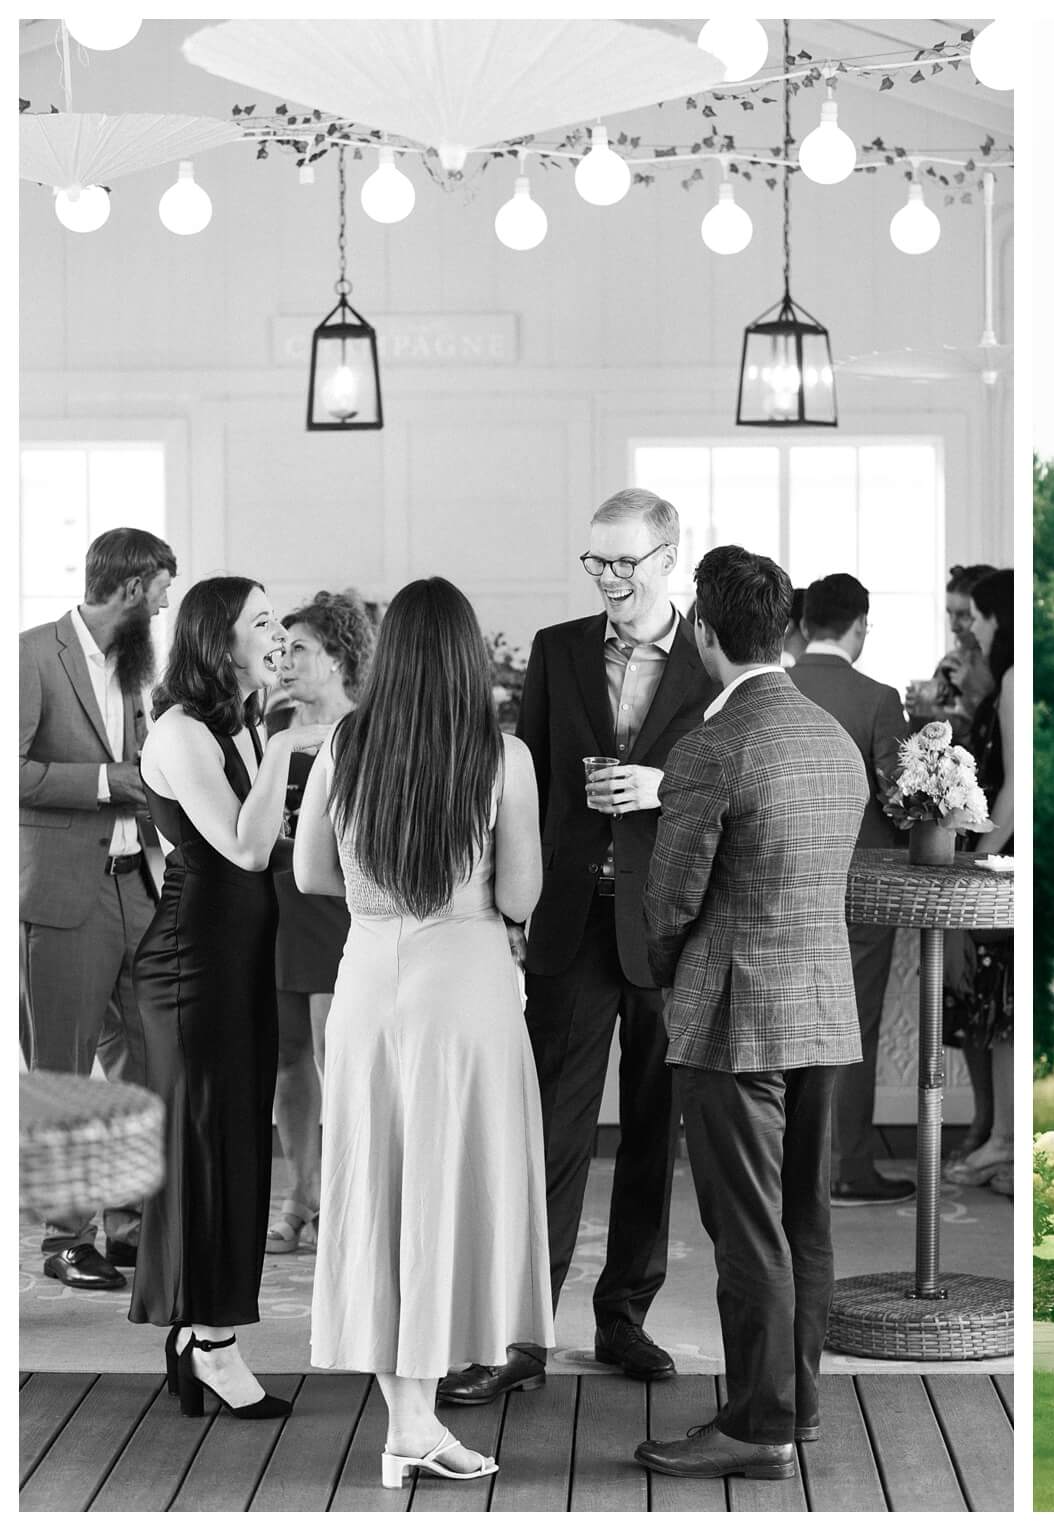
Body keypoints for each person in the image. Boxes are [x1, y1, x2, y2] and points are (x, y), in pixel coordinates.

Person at [440, 488, 716, 1408]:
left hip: (672, 925)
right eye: (595, 562)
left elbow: (731, 781)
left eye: (625, 563)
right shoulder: (559, 649)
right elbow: (528, 785)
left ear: (669, 556)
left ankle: (622, 1317)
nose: (607, 580)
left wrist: (661, 785)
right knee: (549, 1132)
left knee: (651, 1130)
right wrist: (510, 907)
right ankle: (525, 1330)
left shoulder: (712, 659)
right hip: (568, 920)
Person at [298, 576, 552, 1487]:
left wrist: (382, 909)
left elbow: (310, 873)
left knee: (377, 1192)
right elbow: (522, 896)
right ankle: (414, 1421)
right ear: (467, 660)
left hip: (370, 984)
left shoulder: (343, 744)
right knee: (448, 1193)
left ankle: (411, 1420)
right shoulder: (503, 758)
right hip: (469, 991)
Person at [633, 546, 868, 1483]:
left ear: (702, 631)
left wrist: (663, 975)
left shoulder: (710, 746)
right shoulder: (831, 737)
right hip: (822, 1007)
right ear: (784, 630)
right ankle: (796, 1405)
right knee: (803, 1219)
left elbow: (670, 903)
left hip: (733, 1017)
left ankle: (756, 1423)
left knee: (747, 1232)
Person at [131, 576, 332, 1419]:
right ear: (220, 640)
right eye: (261, 622)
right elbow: (244, 851)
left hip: (240, 955)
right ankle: (211, 1341)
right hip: (194, 965)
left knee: (236, 1143)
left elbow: (272, 842)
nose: (278, 633)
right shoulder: (180, 731)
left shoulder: (238, 724)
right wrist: (291, 743)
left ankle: (195, 1331)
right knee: (212, 1146)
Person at [19, 527, 177, 1291]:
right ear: (132, 585)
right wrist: (104, 781)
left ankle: (128, 1225)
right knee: (61, 1068)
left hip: (137, 887)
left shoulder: (140, 667)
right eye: (163, 589)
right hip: (64, 895)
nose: (168, 603)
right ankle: (62, 1239)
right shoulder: (28, 654)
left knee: (143, 1061)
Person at [785, 573, 915, 1206]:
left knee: (782, 1023)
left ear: (806, 624)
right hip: (858, 888)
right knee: (851, 1026)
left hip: (775, 888)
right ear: (860, 626)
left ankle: (788, 1168)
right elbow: (902, 801)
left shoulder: (769, 689)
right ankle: (847, 1167)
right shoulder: (878, 698)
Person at [265, 591, 375, 1257]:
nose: (282, 660)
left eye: (298, 648)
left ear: (335, 657)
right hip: (276, 905)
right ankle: (297, 1194)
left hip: (340, 907)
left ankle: (347, 1197)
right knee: (285, 1061)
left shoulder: (368, 733)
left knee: (340, 1059)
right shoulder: (269, 724)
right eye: (279, 648)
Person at [944, 568, 1017, 1197]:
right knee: (990, 1004)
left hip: (1002, 862)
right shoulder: (1002, 684)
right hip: (996, 854)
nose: (974, 627)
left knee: (1000, 1009)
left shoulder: (1018, 680)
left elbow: (1017, 787)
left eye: (981, 616)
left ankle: (1003, 1143)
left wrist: (981, 857)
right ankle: (997, 1139)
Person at [933, 562, 997, 713]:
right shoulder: (949, 665)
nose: (953, 626)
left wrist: (975, 691)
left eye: (965, 615)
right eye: (950, 613)